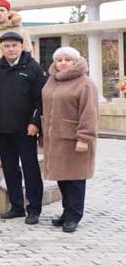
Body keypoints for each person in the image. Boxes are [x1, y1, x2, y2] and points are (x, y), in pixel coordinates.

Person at [41, 47, 98, 233]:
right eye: (59, 60)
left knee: (75, 178)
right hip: (56, 139)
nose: (63, 63)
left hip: (74, 139)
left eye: (68, 60)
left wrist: (84, 137)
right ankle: (67, 212)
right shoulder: (52, 80)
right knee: (63, 178)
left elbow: (90, 113)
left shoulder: (85, 84)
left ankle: (74, 215)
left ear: (76, 61)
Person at [0, 31, 47, 224]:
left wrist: (35, 123)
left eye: (14, 46)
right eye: (7, 46)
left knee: (30, 168)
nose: (10, 49)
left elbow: (40, 99)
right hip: (3, 129)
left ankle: (34, 208)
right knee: (9, 168)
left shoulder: (32, 67)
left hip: (26, 129)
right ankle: (16, 206)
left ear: (21, 47)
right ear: (1, 48)